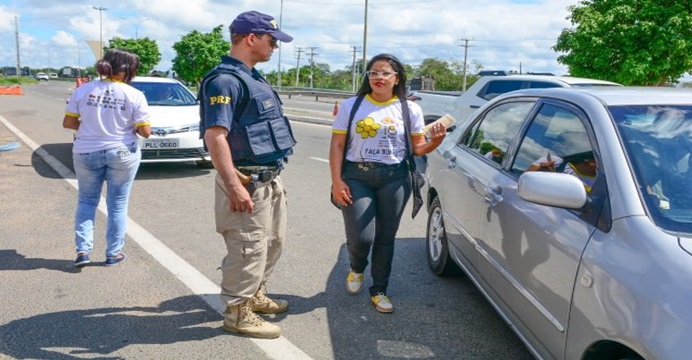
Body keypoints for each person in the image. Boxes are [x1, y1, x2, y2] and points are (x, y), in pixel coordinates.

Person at [198, 10, 295, 339]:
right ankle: (237, 312)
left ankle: (254, 295)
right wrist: (233, 186)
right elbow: (215, 136)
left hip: (268, 178)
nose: (275, 47)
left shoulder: (252, 76)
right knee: (248, 247)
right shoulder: (224, 80)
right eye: (271, 40)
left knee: (271, 243)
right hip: (245, 182)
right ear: (251, 38)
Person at [329, 53, 448, 314]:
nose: (378, 78)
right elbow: (337, 145)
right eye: (373, 73)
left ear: (397, 79)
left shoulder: (410, 109)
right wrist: (337, 181)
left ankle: (379, 289)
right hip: (356, 176)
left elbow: (417, 148)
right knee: (362, 237)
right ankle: (357, 268)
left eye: (385, 73)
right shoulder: (352, 106)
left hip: (395, 178)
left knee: (385, 237)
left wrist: (435, 142)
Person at [62, 48, 152, 268]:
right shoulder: (134, 94)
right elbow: (145, 132)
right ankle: (113, 253)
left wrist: (92, 126)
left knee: (86, 200)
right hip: (122, 153)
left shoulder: (85, 90)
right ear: (128, 70)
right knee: (118, 205)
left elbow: (69, 123)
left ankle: (83, 251)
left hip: (86, 151)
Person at [527, 151, 597, 192]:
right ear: (589, 160)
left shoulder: (604, 182)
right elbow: (525, 179)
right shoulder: (555, 162)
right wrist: (540, 173)